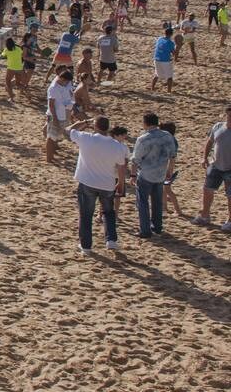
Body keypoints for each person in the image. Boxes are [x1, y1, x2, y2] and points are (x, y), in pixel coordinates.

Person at [68, 116, 128, 254]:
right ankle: (111, 240)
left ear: (95, 126)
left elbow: (68, 130)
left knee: (86, 214)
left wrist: (85, 122)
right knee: (108, 212)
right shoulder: (117, 146)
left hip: (87, 181)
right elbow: (121, 166)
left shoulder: (86, 138)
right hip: (107, 183)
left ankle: (86, 246)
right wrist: (120, 182)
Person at [130, 112, 177, 238]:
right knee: (157, 202)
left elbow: (136, 159)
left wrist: (133, 175)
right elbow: (172, 155)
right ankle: (157, 227)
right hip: (161, 173)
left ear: (145, 123)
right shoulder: (167, 136)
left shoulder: (143, 138)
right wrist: (170, 171)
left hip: (146, 173)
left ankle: (145, 230)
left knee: (143, 202)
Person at [195, 105, 231, 231]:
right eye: (229, 115)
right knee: (207, 190)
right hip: (215, 165)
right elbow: (209, 142)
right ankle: (204, 215)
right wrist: (204, 157)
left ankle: (230, 221)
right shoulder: (218, 126)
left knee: (230, 195)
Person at [44, 69, 77, 165]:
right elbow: (51, 105)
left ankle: (52, 154)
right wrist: (54, 118)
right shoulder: (53, 88)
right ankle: (49, 159)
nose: (67, 83)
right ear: (61, 78)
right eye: (66, 81)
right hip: (55, 115)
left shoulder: (64, 84)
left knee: (56, 136)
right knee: (51, 137)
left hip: (63, 114)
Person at [150, 27, 176, 93]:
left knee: (156, 74)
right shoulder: (170, 42)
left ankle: (152, 88)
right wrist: (177, 47)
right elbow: (174, 53)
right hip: (165, 61)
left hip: (156, 59)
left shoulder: (159, 39)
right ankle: (169, 91)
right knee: (169, 77)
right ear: (171, 34)